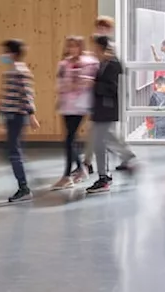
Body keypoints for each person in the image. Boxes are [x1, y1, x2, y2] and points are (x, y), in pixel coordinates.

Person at [87, 36, 137, 193]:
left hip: (107, 109)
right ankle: (110, 171)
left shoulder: (113, 64)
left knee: (100, 142)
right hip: (100, 109)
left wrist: (94, 85)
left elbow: (113, 88)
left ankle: (105, 177)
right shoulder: (103, 63)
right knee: (101, 142)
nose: (93, 51)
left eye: (95, 48)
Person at [0, 39, 39, 203]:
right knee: (12, 151)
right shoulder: (10, 71)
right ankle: (24, 182)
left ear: (13, 53)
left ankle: (24, 188)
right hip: (10, 115)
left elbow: (27, 95)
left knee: (14, 152)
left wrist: (32, 115)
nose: (3, 55)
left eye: (6, 52)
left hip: (17, 116)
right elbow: (9, 96)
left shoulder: (20, 71)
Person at [54, 35, 97, 189]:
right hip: (67, 105)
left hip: (80, 106)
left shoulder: (88, 63)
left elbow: (91, 82)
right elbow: (60, 83)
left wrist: (79, 83)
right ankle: (80, 169)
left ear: (80, 47)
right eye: (69, 46)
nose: (72, 49)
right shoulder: (64, 64)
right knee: (70, 139)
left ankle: (67, 175)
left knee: (69, 139)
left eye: (75, 46)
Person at [81, 16, 116, 175]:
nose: (100, 30)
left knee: (102, 136)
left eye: (104, 27)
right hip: (97, 98)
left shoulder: (109, 51)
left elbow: (111, 78)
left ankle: (127, 160)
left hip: (106, 100)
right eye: (99, 27)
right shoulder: (96, 47)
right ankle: (89, 164)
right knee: (97, 134)